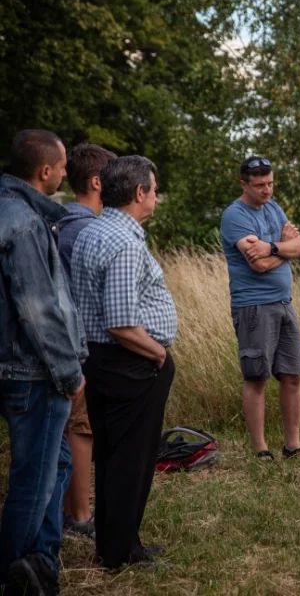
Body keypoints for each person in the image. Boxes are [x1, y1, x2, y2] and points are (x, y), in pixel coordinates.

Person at [70, 155, 177, 569]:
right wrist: (159, 353)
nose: (156, 197)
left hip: (104, 361)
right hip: (129, 362)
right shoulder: (123, 242)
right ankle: (119, 551)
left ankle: (119, 543)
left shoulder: (96, 231)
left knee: (115, 455)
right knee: (130, 458)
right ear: (139, 193)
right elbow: (121, 324)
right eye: (154, 189)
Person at [0, 130, 87, 595]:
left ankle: (41, 564)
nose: (68, 172)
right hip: (31, 371)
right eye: (63, 166)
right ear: (46, 171)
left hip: (18, 366)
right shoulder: (25, 222)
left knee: (51, 465)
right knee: (32, 481)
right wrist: (68, 371)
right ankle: (15, 575)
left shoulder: (14, 211)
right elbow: (37, 308)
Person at [219, 156, 300, 468]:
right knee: (257, 376)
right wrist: (283, 248)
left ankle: (293, 446)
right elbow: (258, 264)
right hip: (254, 306)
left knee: (293, 374)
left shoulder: (273, 208)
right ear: (244, 184)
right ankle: (261, 450)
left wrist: (273, 247)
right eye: (260, 185)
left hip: (283, 303)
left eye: (271, 183)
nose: (267, 190)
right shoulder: (235, 216)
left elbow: (299, 246)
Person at [58, 143, 116, 540]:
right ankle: (79, 515)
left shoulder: (59, 220)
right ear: (98, 182)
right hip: (76, 343)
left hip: (55, 342)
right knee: (82, 426)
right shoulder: (86, 230)